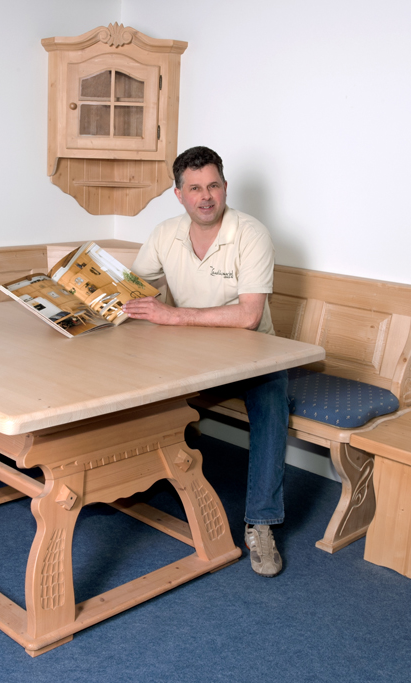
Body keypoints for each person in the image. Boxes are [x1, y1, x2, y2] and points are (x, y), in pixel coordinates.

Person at [124, 146, 289, 577]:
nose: (206, 196)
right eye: (195, 188)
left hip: (253, 355)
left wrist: (173, 316)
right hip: (190, 354)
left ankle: (261, 523)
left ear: (225, 187)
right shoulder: (165, 233)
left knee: (272, 403)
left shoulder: (251, 234)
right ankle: (127, 482)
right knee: (127, 375)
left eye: (213, 186)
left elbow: (249, 315)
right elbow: (134, 288)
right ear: (178, 194)